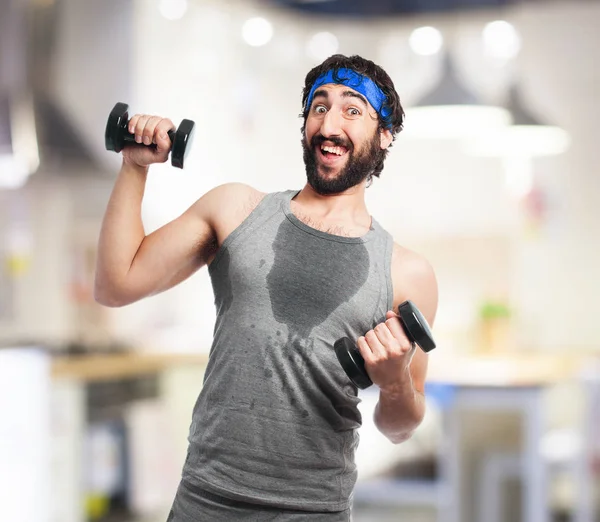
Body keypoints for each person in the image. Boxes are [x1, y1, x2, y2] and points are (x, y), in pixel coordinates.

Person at [94, 54, 438, 521]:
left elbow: (400, 428)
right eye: (319, 107)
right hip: (205, 499)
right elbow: (117, 283)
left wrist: (395, 380)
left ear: (384, 135)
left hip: (312, 509)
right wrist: (135, 166)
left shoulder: (406, 273)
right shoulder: (236, 209)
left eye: (352, 110)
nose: (329, 123)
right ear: (304, 126)